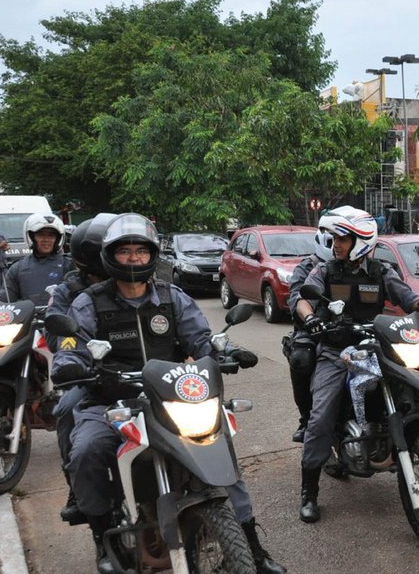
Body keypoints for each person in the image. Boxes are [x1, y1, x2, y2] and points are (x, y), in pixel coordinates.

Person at [51, 213, 285, 574]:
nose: (133, 258)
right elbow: (72, 343)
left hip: (171, 397)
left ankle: (253, 547)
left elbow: (200, 338)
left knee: (221, 452)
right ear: (111, 256)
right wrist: (69, 361)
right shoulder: (89, 302)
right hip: (111, 400)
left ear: (152, 255)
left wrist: (226, 352)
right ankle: (101, 536)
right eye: (125, 251)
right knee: (86, 450)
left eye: (140, 251)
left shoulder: (171, 297)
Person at [294, 206, 419, 524]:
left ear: (361, 240)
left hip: (376, 348)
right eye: (335, 237)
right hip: (336, 352)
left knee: (413, 386)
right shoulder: (326, 270)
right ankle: (309, 492)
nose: (335, 244)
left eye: (342, 238)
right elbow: (301, 297)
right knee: (320, 417)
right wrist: (310, 318)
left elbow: (408, 297)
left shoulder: (380, 271)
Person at [46, 213, 114, 526]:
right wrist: (72, 357)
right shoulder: (68, 291)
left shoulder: (146, 282)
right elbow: (58, 334)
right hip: (88, 373)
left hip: (142, 369)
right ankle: (77, 487)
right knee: (66, 410)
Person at [283, 213, 336, 444]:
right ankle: (306, 418)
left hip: (349, 327)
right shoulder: (308, 267)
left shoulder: (366, 266)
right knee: (301, 357)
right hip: (312, 329)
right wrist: (311, 318)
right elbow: (296, 297)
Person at [0, 213, 70, 305]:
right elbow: (4, 298)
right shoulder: (18, 268)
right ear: (31, 237)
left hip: (63, 317)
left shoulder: (69, 264)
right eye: (41, 235)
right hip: (30, 318)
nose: (46, 239)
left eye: (51, 235)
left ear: (57, 239)